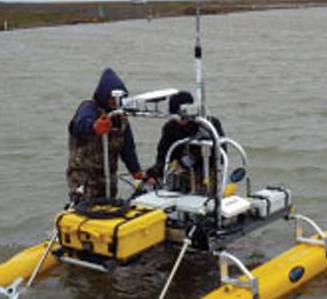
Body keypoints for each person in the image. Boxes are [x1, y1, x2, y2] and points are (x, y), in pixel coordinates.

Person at [67, 68, 144, 201]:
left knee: (108, 210)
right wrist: (94, 127)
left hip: (108, 181)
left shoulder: (120, 118)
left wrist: (136, 171)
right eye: (112, 98)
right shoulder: (88, 108)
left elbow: (128, 149)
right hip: (84, 179)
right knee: (85, 211)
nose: (115, 102)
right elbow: (78, 125)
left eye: (119, 99)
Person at [145, 91, 223, 194]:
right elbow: (163, 155)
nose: (179, 121)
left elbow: (220, 156)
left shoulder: (209, 125)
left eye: (181, 116)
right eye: (175, 116)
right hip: (181, 175)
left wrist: (193, 158)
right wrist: (155, 172)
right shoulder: (170, 128)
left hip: (206, 174)